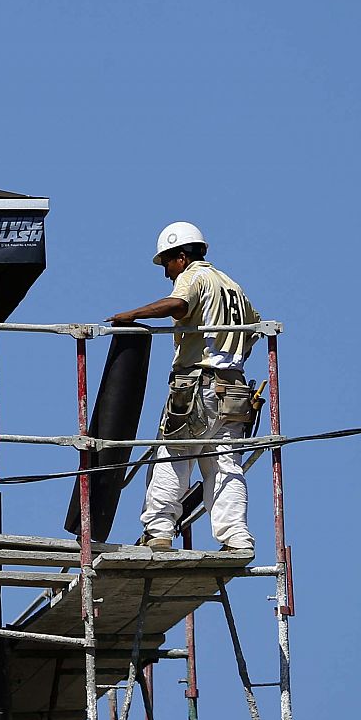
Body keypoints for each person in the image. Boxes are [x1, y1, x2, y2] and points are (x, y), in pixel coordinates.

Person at [107, 221, 261, 554]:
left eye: (166, 264)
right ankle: (237, 538)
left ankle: (160, 531)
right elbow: (254, 330)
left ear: (181, 256)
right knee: (224, 464)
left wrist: (130, 316)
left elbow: (178, 304)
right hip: (233, 391)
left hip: (197, 385)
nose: (166, 274)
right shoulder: (233, 286)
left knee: (172, 454)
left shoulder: (194, 276)